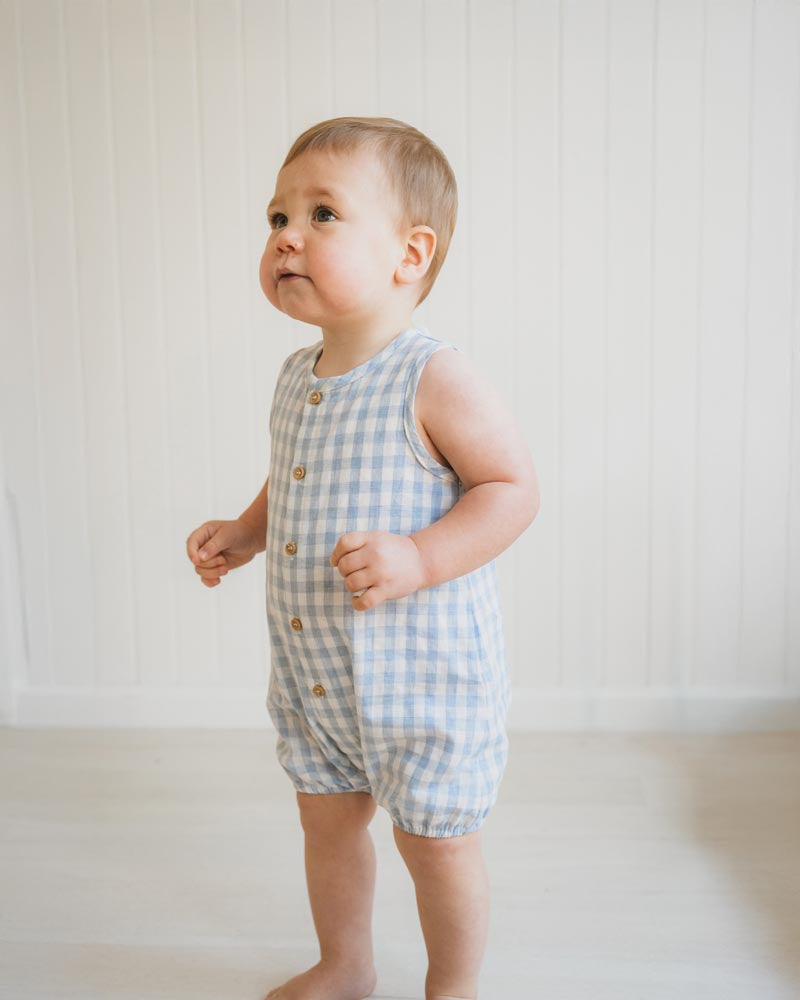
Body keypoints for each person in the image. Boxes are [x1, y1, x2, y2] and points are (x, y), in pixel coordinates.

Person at [186, 116, 540, 1000]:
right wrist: (245, 529)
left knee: (435, 841)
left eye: (323, 214)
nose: (288, 236)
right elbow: (295, 480)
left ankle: (451, 988)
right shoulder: (297, 376)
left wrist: (420, 557)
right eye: (276, 219)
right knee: (327, 822)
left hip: (423, 677)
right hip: (318, 671)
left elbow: (511, 489)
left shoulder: (433, 376)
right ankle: (346, 965)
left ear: (409, 254)